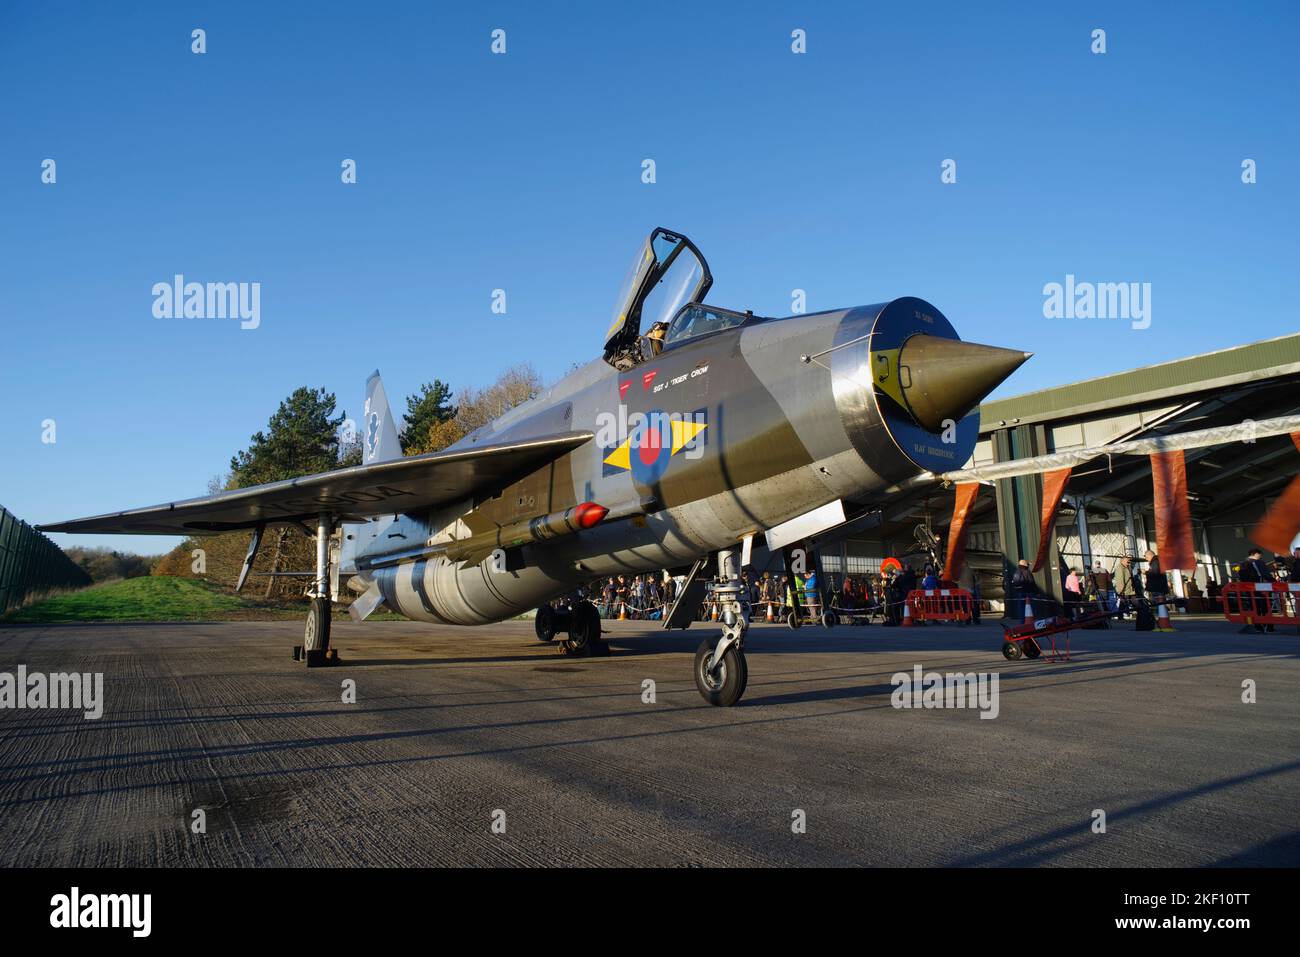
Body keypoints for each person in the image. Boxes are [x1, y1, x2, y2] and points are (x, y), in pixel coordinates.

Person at [1239, 547, 1276, 632]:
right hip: (1261, 588)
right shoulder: (1258, 562)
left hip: (1248, 589)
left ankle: (1257, 626)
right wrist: (1274, 582)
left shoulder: (1242, 564)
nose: (1261, 556)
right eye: (1260, 555)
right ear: (1256, 554)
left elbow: (1242, 577)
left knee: (1254, 607)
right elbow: (1266, 575)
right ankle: (1268, 626)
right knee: (1265, 607)